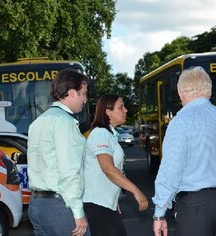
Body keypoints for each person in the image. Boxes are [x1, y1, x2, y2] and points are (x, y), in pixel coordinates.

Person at [152, 67, 216, 236]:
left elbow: (171, 171)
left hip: (196, 206)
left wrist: (159, 212)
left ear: (180, 92)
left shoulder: (181, 122)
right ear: (209, 92)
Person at [27, 69, 89, 236]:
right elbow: (69, 172)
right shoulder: (65, 122)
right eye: (83, 94)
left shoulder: (38, 122)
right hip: (61, 208)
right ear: (71, 93)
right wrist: (78, 213)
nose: (85, 99)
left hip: (36, 205)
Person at [83, 94, 148, 236]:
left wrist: (113, 199)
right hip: (97, 205)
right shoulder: (100, 134)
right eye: (121, 107)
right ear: (108, 112)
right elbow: (108, 168)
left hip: (106, 205)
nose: (126, 110)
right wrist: (135, 190)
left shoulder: (109, 134)